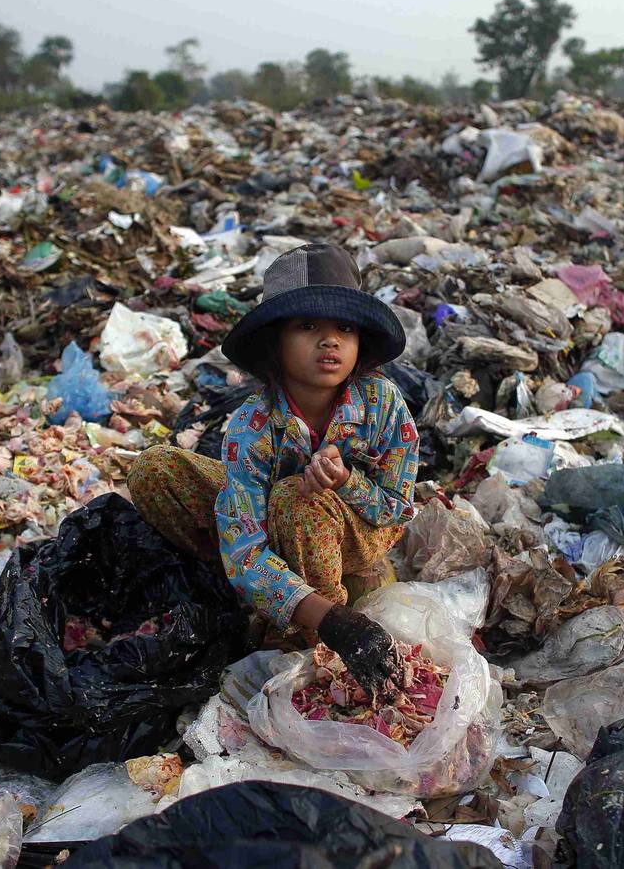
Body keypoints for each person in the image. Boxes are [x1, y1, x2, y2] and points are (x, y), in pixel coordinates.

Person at [129, 243, 420, 695]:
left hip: (357, 535)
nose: (330, 341)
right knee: (155, 467)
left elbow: (396, 510)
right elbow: (244, 545)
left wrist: (347, 482)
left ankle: (311, 634)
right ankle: (292, 601)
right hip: (278, 534)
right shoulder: (252, 424)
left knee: (296, 501)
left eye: (344, 327)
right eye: (307, 326)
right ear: (274, 343)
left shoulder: (382, 403)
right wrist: (334, 620)